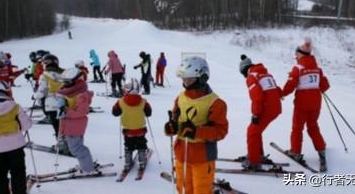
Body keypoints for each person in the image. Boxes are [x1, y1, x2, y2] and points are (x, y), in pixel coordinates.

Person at [164, 56, 228, 194]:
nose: (185, 83)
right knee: (183, 189)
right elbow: (176, 118)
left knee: (201, 191)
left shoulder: (215, 103)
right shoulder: (181, 98)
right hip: (182, 154)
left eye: (190, 79)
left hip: (203, 157)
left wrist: (196, 132)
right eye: (183, 79)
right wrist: (172, 126)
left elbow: (220, 131)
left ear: (202, 78)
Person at [281, 39, 330, 172]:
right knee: (313, 127)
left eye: (296, 54)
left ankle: (295, 152)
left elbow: (290, 86)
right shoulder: (317, 68)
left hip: (302, 104)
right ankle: (322, 152)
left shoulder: (298, 68)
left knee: (297, 128)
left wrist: (281, 93)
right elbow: (325, 86)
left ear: (301, 54)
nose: (295, 57)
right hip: (315, 104)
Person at [239, 54, 282, 170]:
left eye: (243, 74)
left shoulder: (251, 76)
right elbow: (277, 90)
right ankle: (258, 155)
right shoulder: (265, 74)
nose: (244, 77)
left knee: (252, 131)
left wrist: (255, 114)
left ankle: (254, 162)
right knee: (256, 130)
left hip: (267, 107)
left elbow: (257, 96)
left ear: (245, 70)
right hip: (275, 107)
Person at [57, 68, 100, 174]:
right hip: (70, 124)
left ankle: (88, 168)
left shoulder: (81, 95)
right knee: (76, 147)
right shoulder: (71, 92)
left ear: (74, 81)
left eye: (67, 82)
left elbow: (82, 111)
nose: (65, 84)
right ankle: (85, 164)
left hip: (75, 125)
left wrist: (66, 111)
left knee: (76, 148)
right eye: (64, 82)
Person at [112, 78, 152, 172]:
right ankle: (142, 159)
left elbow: (115, 112)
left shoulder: (121, 101)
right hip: (140, 130)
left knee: (128, 144)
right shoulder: (143, 101)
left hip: (128, 130)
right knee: (141, 143)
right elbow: (148, 113)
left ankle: (128, 161)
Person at [33, 53, 70, 154]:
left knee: (56, 125)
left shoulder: (45, 75)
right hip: (65, 102)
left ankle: (62, 144)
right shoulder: (64, 73)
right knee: (64, 124)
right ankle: (69, 142)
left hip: (52, 104)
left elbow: (42, 90)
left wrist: (35, 96)